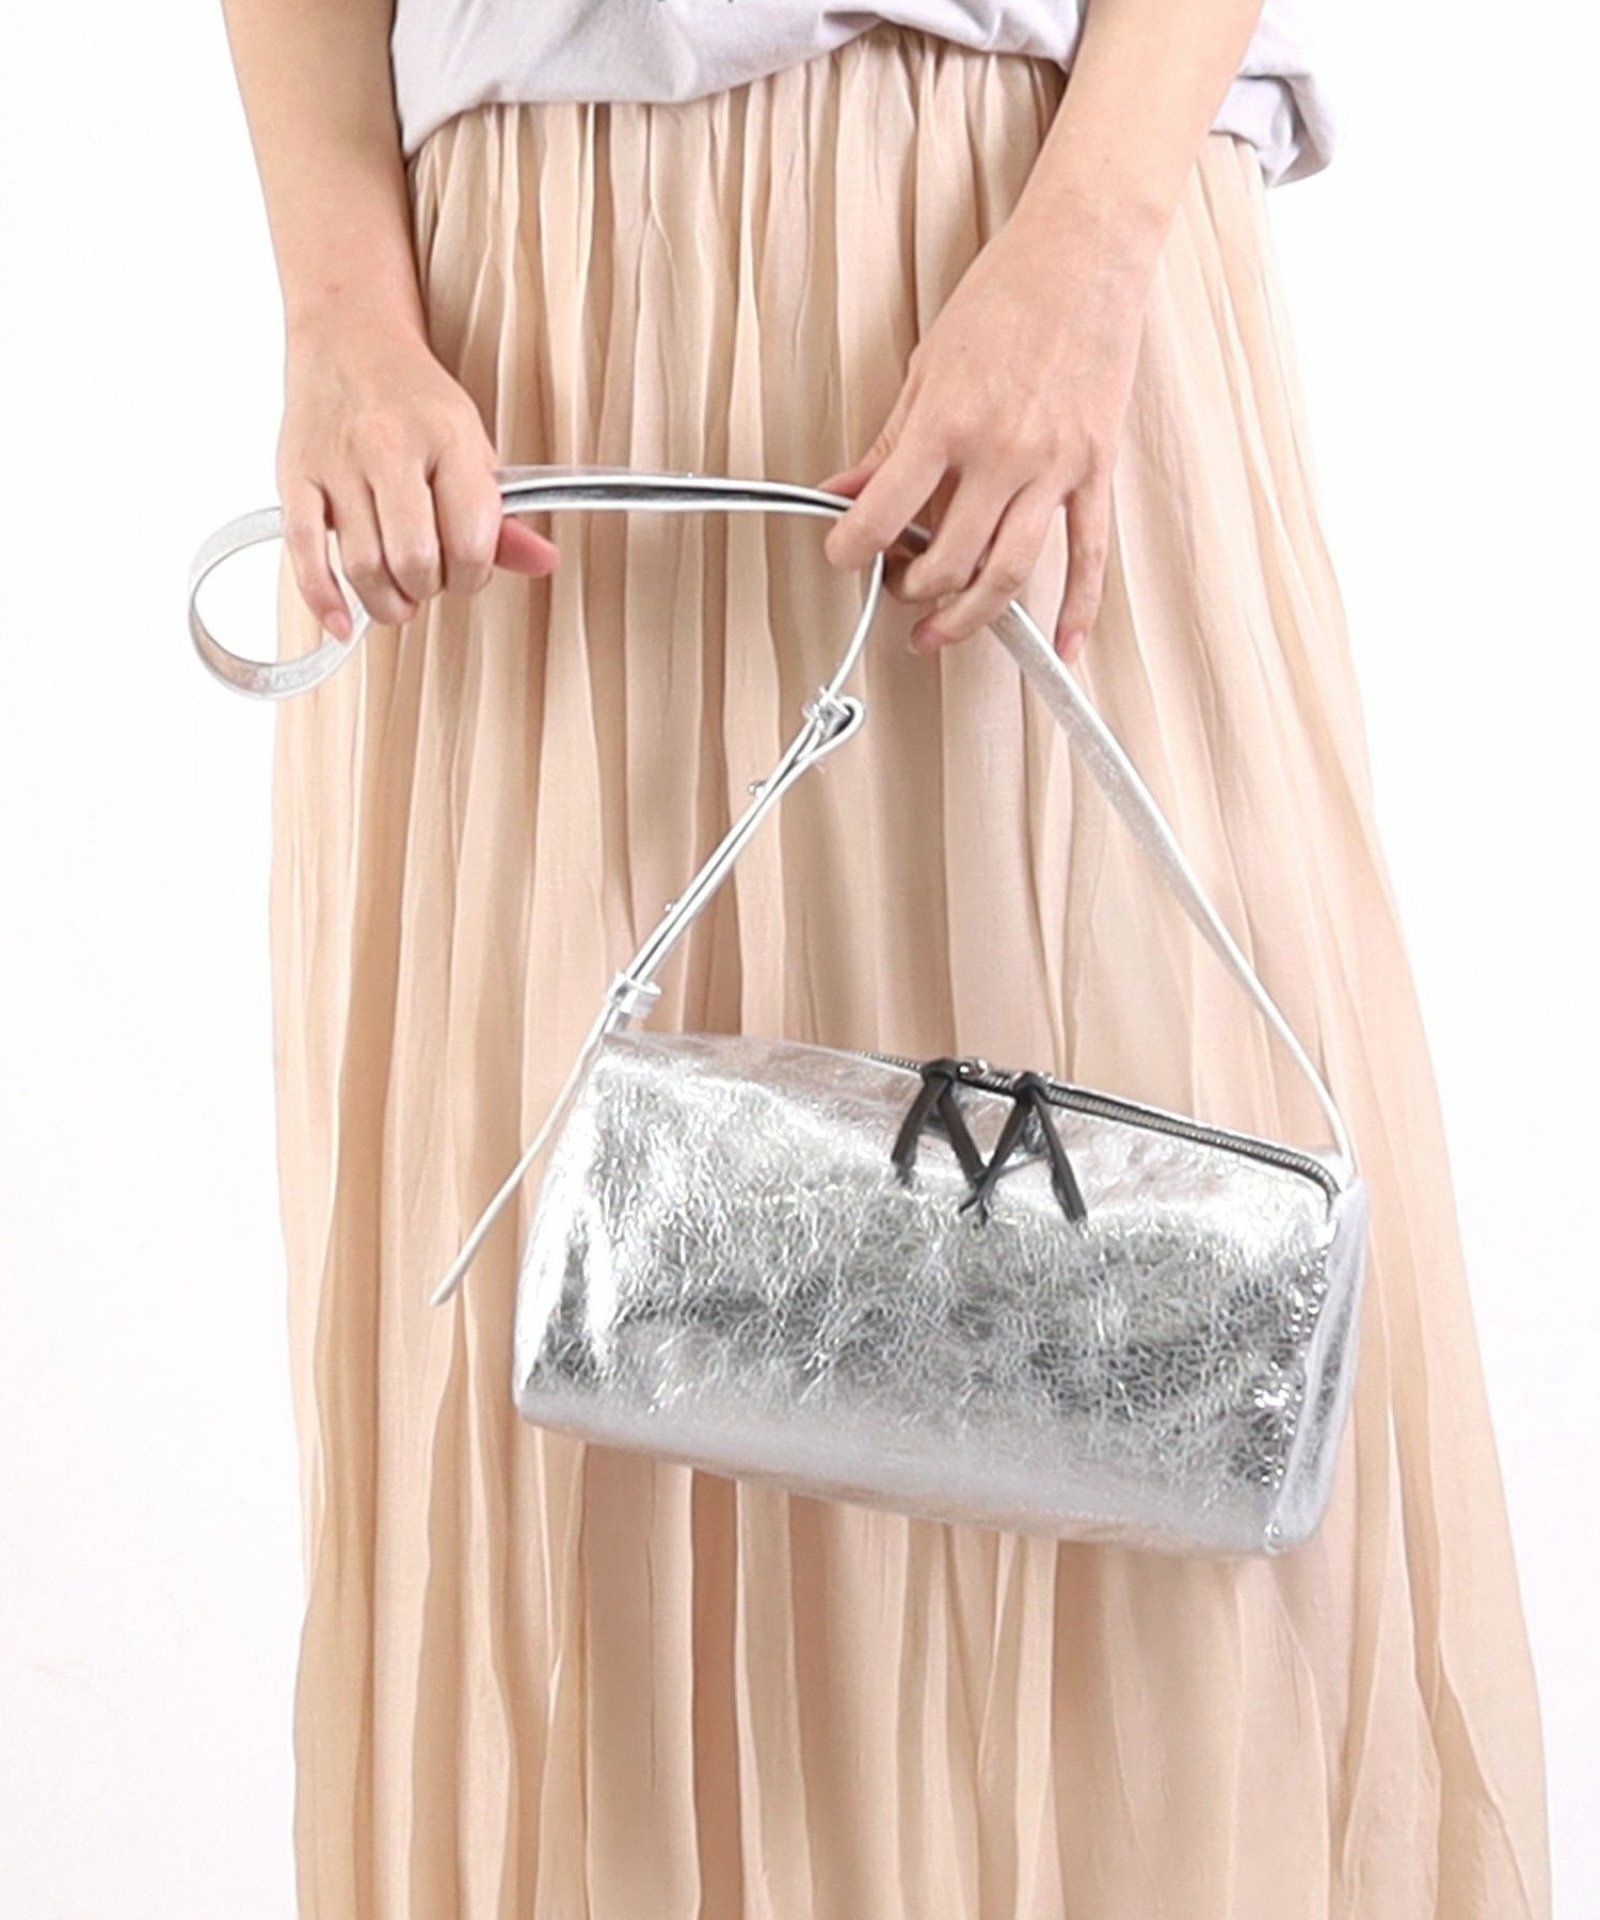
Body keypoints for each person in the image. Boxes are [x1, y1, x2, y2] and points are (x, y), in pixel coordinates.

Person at [219, 1, 1552, 1913]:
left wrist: (1089, 251)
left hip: (1024, 242)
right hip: (523, 351)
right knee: (590, 1441)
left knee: (1187, 1323)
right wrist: (338, 314)